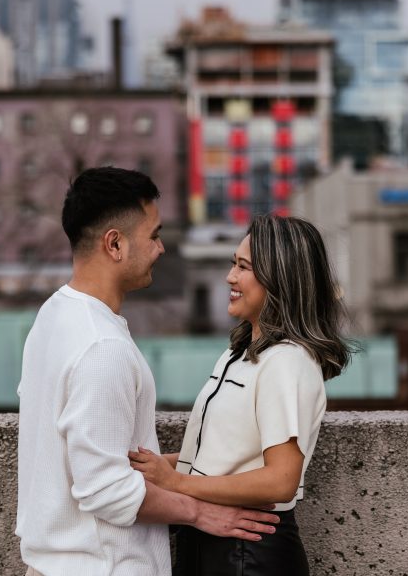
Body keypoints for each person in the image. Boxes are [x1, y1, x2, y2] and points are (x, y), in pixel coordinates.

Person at [15, 167, 281, 576]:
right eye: (154, 235)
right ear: (115, 244)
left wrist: (199, 464)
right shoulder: (101, 347)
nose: (160, 248)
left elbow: (105, 456)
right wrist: (200, 512)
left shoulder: (53, 316)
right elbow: (106, 490)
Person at [129, 214, 352, 576]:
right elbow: (226, 453)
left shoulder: (287, 361)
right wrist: (156, 465)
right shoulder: (241, 353)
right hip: (212, 541)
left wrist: (175, 482)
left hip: (249, 551)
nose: (230, 277)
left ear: (279, 279)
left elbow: (281, 480)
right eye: (234, 263)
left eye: (243, 267)